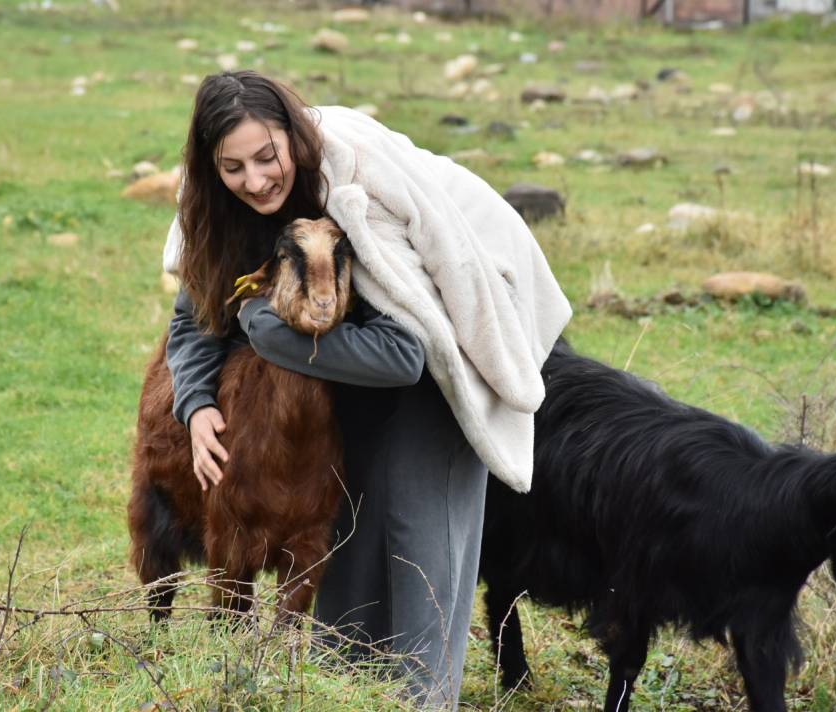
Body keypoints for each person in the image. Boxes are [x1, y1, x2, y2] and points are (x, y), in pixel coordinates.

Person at [161, 70, 571, 708]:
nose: (256, 179)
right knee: (345, 517)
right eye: (233, 166)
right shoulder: (222, 205)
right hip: (348, 334)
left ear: (292, 139)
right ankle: (345, 691)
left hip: (449, 328)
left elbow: (407, 353)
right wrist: (196, 404)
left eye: (267, 157)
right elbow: (194, 316)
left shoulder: (358, 197)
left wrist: (266, 328)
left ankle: (422, 697)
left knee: (416, 529)